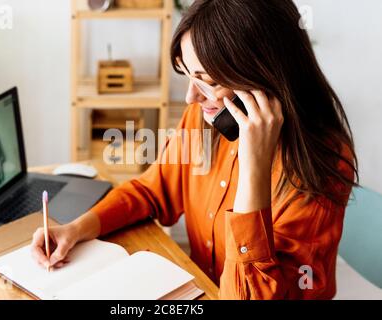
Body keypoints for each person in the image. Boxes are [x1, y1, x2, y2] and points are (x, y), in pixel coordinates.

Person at [31, 0, 358, 299]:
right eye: (188, 75)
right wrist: (76, 230)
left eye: (209, 81)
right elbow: (151, 192)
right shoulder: (206, 118)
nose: (191, 96)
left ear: (266, 77)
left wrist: (253, 170)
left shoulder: (323, 168)